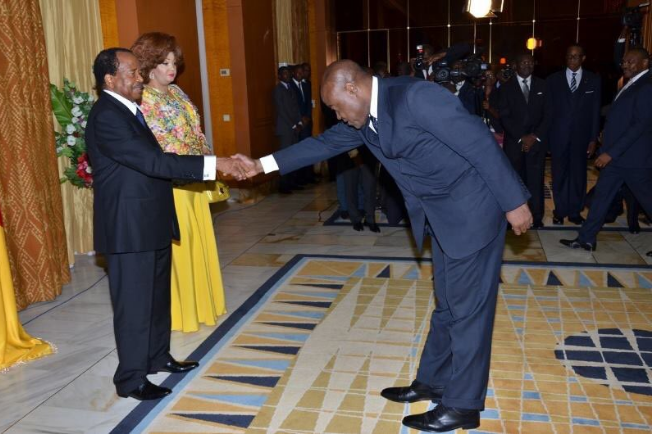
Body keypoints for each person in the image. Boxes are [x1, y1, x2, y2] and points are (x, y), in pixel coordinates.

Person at [232, 60, 533, 432]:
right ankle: (433, 382)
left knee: (468, 312)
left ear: (353, 88)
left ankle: (463, 405)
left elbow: (479, 143)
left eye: (337, 107)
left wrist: (513, 202)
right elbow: (323, 144)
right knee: (448, 303)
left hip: (474, 210)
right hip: (443, 217)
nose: (338, 116)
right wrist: (261, 164)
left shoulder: (415, 97)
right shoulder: (365, 119)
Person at [86, 48, 245, 401]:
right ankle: (131, 379)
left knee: (157, 298)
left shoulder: (129, 110)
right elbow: (153, 163)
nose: (139, 78)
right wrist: (214, 164)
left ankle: (158, 357)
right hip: (129, 228)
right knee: (134, 305)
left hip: (151, 219)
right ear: (110, 79)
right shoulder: (107, 116)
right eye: (131, 72)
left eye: (138, 71)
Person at [131, 32, 226, 333]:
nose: (171, 68)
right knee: (181, 247)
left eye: (174, 62)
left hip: (193, 178)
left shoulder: (177, 92)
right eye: (164, 63)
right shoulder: (143, 99)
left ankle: (203, 305)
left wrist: (208, 158)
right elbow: (160, 145)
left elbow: (196, 131)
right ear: (149, 65)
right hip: (171, 185)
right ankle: (181, 312)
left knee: (198, 243)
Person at [561, 48, 652, 251]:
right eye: (624, 61)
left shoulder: (647, 86)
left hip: (634, 160)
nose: (625, 64)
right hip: (618, 159)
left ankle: (586, 237)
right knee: (601, 198)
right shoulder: (632, 83)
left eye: (631, 61)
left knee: (648, 200)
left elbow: (639, 126)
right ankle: (586, 239)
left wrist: (611, 152)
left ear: (645, 63)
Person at [546, 45, 601, 225]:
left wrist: (593, 139)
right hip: (558, 136)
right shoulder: (553, 80)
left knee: (578, 176)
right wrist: (547, 139)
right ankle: (560, 211)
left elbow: (595, 112)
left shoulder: (593, 80)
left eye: (576, 56)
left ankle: (575, 212)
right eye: (569, 56)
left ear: (583, 58)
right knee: (559, 175)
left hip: (582, 137)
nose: (572, 59)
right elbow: (548, 112)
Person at [498, 53, 550, 228]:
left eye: (530, 62)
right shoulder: (506, 87)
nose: (527, 64)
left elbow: (549, 114)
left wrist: (534, 136)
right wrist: (522, 137)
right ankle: (512, 217)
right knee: (514, 182)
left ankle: (536, 217)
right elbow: (504, 116)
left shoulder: (543, 85)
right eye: (523, 62)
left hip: (537, 142)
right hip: (515, 143)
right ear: (515, 65)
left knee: (536, 180)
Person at [273, 66, 304, 193]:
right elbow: (282, 110)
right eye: (284, 74)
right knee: (285, 157)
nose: (288, 76)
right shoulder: (278, 90)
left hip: (295, 127)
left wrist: (299, 122)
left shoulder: (290, 87)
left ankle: (293, 182)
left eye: (288, 73)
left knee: (294, 156)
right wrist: (293, 125)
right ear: (279, 76)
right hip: (285, 129)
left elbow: (295, 107)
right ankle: (284, 185)